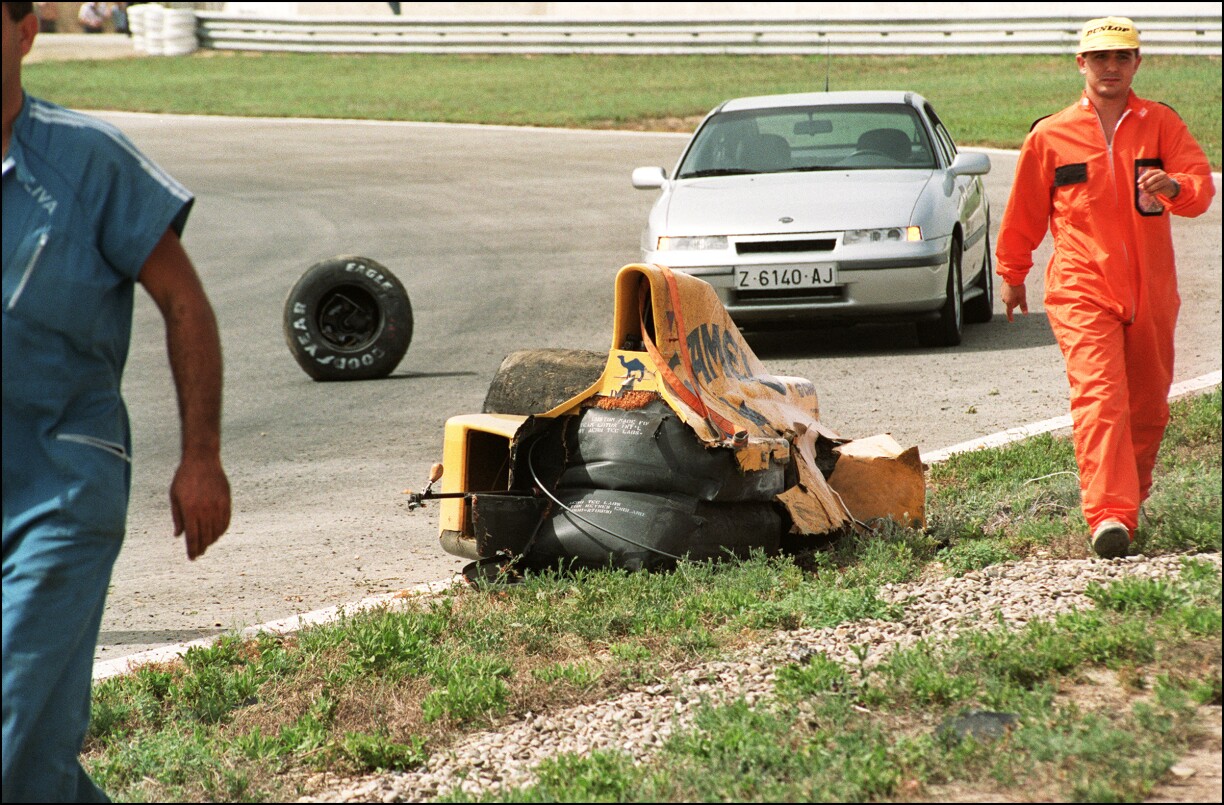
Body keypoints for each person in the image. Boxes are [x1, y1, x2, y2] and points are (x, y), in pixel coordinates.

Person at [2, 2, 232, 801]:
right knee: (36, 768)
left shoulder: (87, 161)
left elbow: (185, 304)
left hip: (63, 489)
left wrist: (201, 456)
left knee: (9, 716)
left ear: (24, 34)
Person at [995, 16, 1214, 559]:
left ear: (1137, 62)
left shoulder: (1161, 123)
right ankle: (1108, 514)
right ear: (1081, 63)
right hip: (1081, 287)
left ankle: (1128, 508)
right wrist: (1013, 274)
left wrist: (1175, 185)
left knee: (1148, 408)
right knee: (1100, 396)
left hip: (1152, 292)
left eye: (1121, 56)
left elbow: (1200, 190)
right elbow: (1024, 212)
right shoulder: (1050, 135)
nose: (1110, 67)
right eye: (1099, 57)